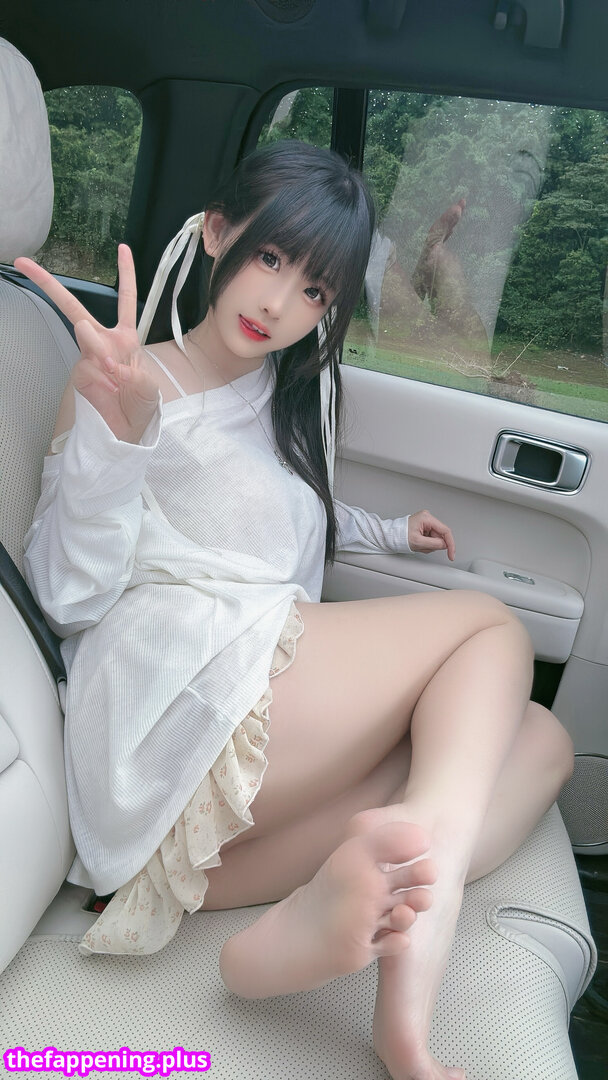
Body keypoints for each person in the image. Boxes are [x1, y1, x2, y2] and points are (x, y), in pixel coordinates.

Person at [16, 140, 574, 1080]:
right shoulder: (128, 382)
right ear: (217, 233)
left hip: (227, 772)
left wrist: (388, 533)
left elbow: (263, 522)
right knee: (491, 628)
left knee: (538, 744)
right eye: (270, 257)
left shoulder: (284, 391)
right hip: (166, 704)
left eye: (314, 289)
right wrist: (119, 434)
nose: (278, 304)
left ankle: (281, 941)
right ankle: (409, 1000)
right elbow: (67, 595)